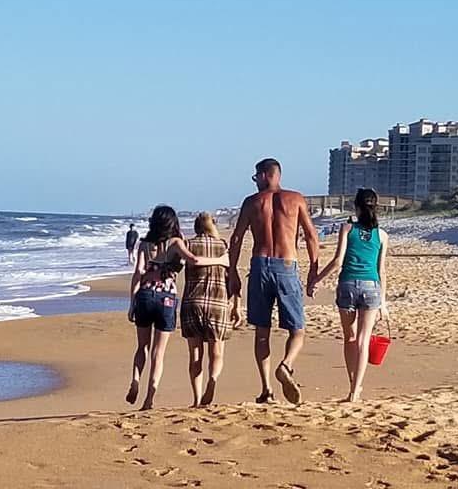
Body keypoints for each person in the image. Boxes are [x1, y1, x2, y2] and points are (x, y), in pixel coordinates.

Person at [228, 158, 319, 404]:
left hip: (260, 265)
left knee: (262, 331)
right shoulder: (296, 199)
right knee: (297, 330)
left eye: (256, 177)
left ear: (266, 175)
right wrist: (313, 268)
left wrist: (233, 270)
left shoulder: (252, 202)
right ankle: (286, 365)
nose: (255, 181)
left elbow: (236, 238)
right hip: (286, 265)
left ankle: (267, 389)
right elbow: (311, 235)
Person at [126, 206, 229, 410]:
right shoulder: (175, 243)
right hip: (166, 297)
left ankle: (136, 379)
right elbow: (193, 260)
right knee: (158, 352)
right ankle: (149, 399)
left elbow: (138, 273)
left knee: (142, 347)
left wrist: (132, 302)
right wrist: (220, 260)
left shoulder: (144, 244)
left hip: (145, 295)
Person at [311, 188, 389, 402]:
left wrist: (317, 280)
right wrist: (383, 303)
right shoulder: (382, 235)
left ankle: (352, 382)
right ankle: (355, 390)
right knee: (364, 340)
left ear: (356, 207)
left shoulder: (347, 228)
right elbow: (381, 270)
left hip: (347, 285)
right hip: (371, 287)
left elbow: (338, 261)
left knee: (350, 338)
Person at [180, 212, 242, 407]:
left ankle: (197, 398)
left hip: (193, 302)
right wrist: (237, 306)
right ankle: (213, 379)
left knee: (195, 355)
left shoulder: (188, 245)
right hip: (218, 302)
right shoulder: (223, 246)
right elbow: (234, 279)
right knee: (217, 352)